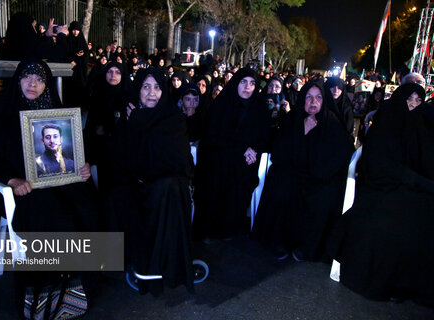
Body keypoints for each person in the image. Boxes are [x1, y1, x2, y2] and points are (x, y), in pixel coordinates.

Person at [0, 59, 98, 318]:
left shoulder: (55, 112)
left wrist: (83, 166)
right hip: (20, 189)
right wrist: (11, 179)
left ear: (46, 85)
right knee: (46, 215)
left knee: (87, 206)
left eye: (39, 79)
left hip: (57, 183)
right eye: (27, 77)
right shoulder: (1, 113)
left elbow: (74, 152)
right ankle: (41, 297)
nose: (32, 83)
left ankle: (74, 292)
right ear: (18, 80)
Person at [328, 83, 434, 302]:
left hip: (405, 187)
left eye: (418, 100)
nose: (413, 104)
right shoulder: (388, 118)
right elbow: (382, 165)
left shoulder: (419, 125)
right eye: (409, 98)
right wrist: (419, 182)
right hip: (380, 186)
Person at [103, 67, 194, 296]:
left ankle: (160, 267)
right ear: (138, 90)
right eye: (146, 86)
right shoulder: (129, 118)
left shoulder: (173, 119)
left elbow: (173, 159)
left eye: (157, 87)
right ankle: (129, 260)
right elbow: (121, 156)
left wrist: (139, 120)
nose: (151, 93)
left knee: (165, 189)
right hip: (138, 181)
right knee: (117, 195)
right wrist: (135, 122)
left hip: (168, 182)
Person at [252, 82, 353, 262]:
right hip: (292, 171)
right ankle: (278, 242)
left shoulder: (331, 122)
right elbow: (280, 150)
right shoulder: (293, 119)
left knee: (324, 196)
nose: (313, 101)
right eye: (308, 97)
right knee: (280, 187)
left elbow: (339, 156)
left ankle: (308, 248)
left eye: (318, 97)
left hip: (320, 176)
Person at [193, 68, 271, 241]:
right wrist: (242, 148)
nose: (247, 87)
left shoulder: (259, 107)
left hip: (246, 161)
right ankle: (212, 226)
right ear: (236, 83)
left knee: (242, 174)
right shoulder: (221, 104)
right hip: (219, 155)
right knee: (220, 172)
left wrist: (254, 150)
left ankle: (229, 226)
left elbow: (265, 136)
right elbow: (214, 136)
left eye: (252, 83)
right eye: (243, 82)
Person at [84, 61, 130, 189]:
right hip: (101, 153)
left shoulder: (129, 98)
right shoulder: (98, 95)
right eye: (110, 71)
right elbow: (90, 128)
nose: (113, 75)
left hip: (123, 155)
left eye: (117, 72)